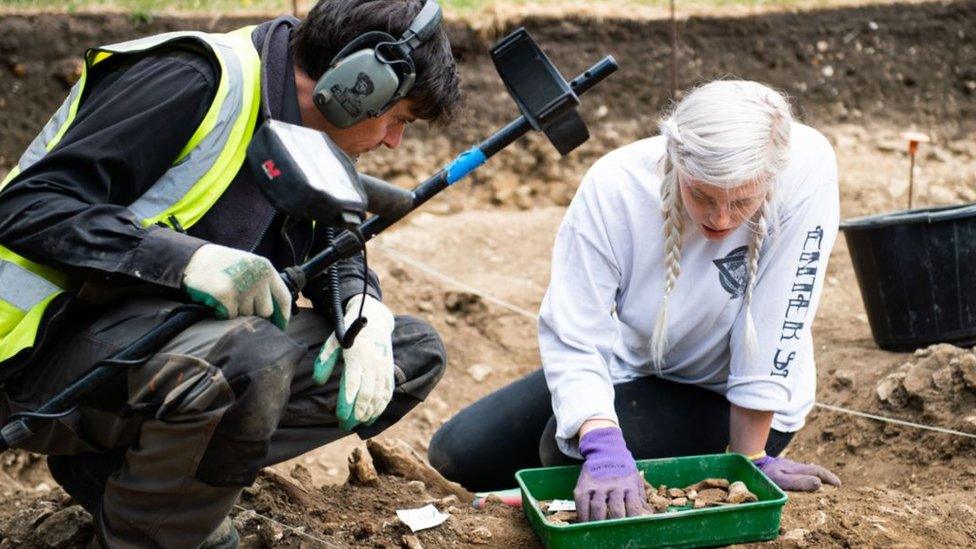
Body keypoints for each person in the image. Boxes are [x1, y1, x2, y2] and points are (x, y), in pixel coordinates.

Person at [0, 0, 460, 546]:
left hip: (154, 356)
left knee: (410, 352)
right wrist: (183, 258)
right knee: (248, 357)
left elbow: (332, 248)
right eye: (399, 118)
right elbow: (26, 206)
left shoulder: (306, 134)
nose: (393, 141)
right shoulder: (191, 80)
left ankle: (136, 477)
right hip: (35, 358)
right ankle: (147, 531)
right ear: (361, 83)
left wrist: (363, 307)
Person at [429, 80, 842, 522]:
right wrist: (603, 442)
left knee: (560, 450)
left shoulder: (804, 167)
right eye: (702, 196)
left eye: (741, 201)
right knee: (456, 454)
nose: (721, 219)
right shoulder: (616, 186)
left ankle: (532, 495)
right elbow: (574, 329)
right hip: (640, 366)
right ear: (673, 159)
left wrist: (749, 460)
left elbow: (778, 316)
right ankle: (529, 492)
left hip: (730, 400)